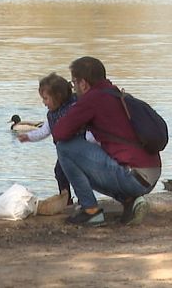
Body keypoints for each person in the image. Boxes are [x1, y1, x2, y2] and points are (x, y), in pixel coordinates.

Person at [52, 56, 161, 227]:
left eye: (74, 83)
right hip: (150, 175)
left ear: (83, 83)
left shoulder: (92, 99)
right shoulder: (115, 93)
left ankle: (90, 211)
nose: (73, 88)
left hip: (133, 177)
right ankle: (130, 201)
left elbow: (59, 133)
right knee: (91, 157)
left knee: (65, 148)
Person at [17, 72, 96, 205]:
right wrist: (29, 137)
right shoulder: (53, 114)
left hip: (81, 149)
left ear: (58, 97)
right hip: (65, 153)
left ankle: (85, 201)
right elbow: (45, 130)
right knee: (60, 172)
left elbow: (90, 129)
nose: (44, 103)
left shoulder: (75, 108)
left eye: (46, 99)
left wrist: (89, 142)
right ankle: (66, 200)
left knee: (79, 176)